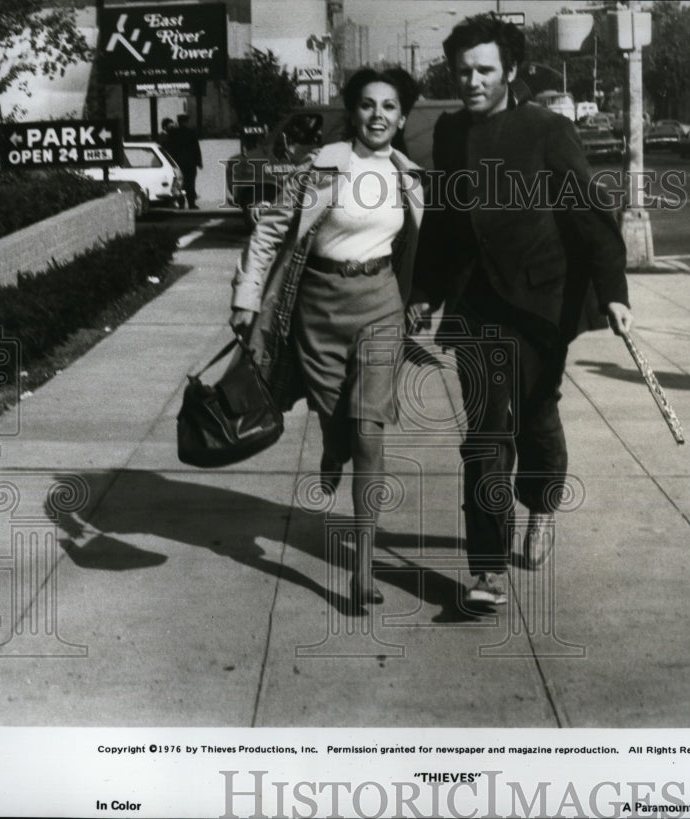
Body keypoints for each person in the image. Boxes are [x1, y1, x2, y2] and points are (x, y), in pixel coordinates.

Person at [410, 14, 631, 606]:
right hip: (476, 304)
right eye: (462, 71)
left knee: (534, 418)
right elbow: (442, 219)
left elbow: (590, 214)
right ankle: (485, 567)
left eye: (484, 70)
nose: (472, 81)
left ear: (509, 71)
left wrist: (614, 291)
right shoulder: (450, 133)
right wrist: (424, 293)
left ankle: (542, 505)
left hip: (539, 302)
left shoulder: (547, 130)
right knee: (485, 434)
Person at [230, 67, 423, 606]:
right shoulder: (320, 167)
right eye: (367, 105)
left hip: (381, 305)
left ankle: (362, 565)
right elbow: (270, 229)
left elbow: (418, 251)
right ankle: (331, 447)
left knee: (369, 431)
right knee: (340, 426)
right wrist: (246, 298)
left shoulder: (410, 176)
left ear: (401, 117)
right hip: (318, 308)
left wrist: (424, 301)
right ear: (353, 112)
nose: (378, 115)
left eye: (388, 106)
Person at [168, 114, 203, 209]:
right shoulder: (191, 132)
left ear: (178, 121)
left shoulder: (173, 133)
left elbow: (170, 149)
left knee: (180, 184)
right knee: (190, 183)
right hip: (190, 163)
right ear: (186, 122)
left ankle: (181, 203)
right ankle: (191, 203)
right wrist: (199, 162)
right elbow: (196, 148)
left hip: (178, 163)